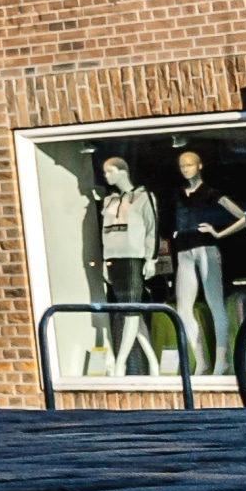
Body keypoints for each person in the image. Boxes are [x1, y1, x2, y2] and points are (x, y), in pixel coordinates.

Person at [168, 146, 246, 374]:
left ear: (199, 166)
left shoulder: (211, 193)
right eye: (182, 166)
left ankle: (221, 360)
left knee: (215, 304)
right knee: (183, 308)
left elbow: (244, 217)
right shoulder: (177, 194)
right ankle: (201, 361)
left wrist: (219, 233)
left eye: (190, 165)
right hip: (184, 250)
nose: (186, 169)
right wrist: (176, 232)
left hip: (206, 248)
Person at [91, 152, 166, 375]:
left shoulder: (144, 197)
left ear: (123, 171)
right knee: (130, 311)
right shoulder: (109, 201)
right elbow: (104, 234)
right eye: (104, 172)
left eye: (110, 171)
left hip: (134, 257)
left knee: (131, 310)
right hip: (114, 259)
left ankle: (120, 363)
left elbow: (153, 229)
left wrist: (151, 258)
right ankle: (153, 362)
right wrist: (105, 260)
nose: (106, 176)